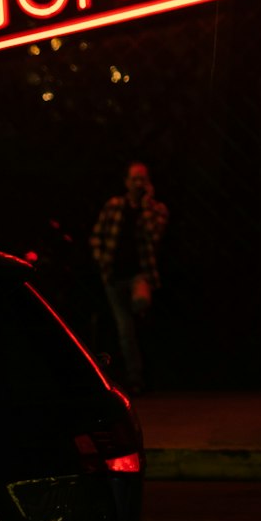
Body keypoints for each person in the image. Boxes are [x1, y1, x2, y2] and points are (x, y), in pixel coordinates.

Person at [90, 162, 169, 394]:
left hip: (139, 275)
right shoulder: (114, 206)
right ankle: (135, 378)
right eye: (134, 178)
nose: (138, 183)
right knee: (125, 330)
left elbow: (154, 235)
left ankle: (142, 316)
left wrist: (145, 206)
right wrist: (102, 260)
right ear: (126, 181)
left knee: (140, 304)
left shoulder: (157, 210)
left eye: (142, 179)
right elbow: (96, 236)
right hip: (114, 277)